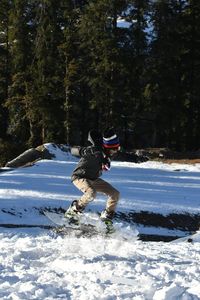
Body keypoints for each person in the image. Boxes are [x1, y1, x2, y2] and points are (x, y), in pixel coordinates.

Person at [65, 128, 120, 221]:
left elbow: (125, 155)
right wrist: (85, 151)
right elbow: (73, 150)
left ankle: (106, 217)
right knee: (91, 193)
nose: (116, 151)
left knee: (115, 194)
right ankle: (74, 210)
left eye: (117, 148)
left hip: (94, 179)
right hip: (79, 177)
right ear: (108, 147)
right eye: (114, 149)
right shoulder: (95, 151)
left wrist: (138, 158)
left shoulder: (108, 154)